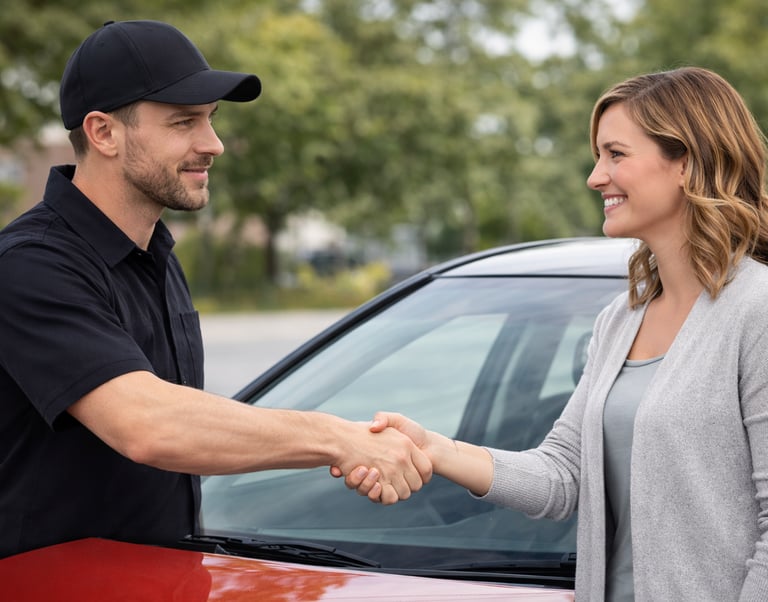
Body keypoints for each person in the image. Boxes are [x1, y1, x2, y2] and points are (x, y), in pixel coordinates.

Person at [0, 20, 430, 560]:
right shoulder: (30, 265)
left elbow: (193, 428)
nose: (214, 145)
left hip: (170, 582)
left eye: (211, 120)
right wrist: (336, 438)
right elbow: (151, 425)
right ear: (103, 132)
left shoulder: (155, 255)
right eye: (184, 122)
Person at [343, 67, 768, 600]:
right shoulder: (621, 319)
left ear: (686, 162)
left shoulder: (756, 310)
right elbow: (564, 476)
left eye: (616, 155)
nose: (595, 177)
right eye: (598, 157)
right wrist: (432, 447)